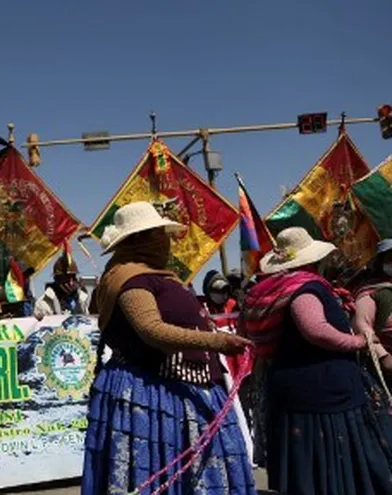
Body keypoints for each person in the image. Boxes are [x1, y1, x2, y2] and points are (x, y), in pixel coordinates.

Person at [82, 201, 254, 495]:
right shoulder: (129, 279)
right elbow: (152, 330)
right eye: (159, 233)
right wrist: (218, 342)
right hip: (152, 392)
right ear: (140, 240)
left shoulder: (157, 275)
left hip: (183, 387)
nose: (167, 241)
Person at [244, 227, 392, 494]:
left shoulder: (281, 288)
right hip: (321, 393)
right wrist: (358, 342)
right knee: (330, 461)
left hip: (295, 388)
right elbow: (316, 330)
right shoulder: (304, 290)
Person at [353, 238, 392, 373]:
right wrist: (383, 356)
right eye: (390, 258)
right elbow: (361, 325)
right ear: (380, 262)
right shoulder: (370, 292)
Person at [33, 252, 89, 319]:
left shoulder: (81, 298)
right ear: (57, 279)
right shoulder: (43, 303)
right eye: (66, 278)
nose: (71, 282)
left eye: (73, 277)